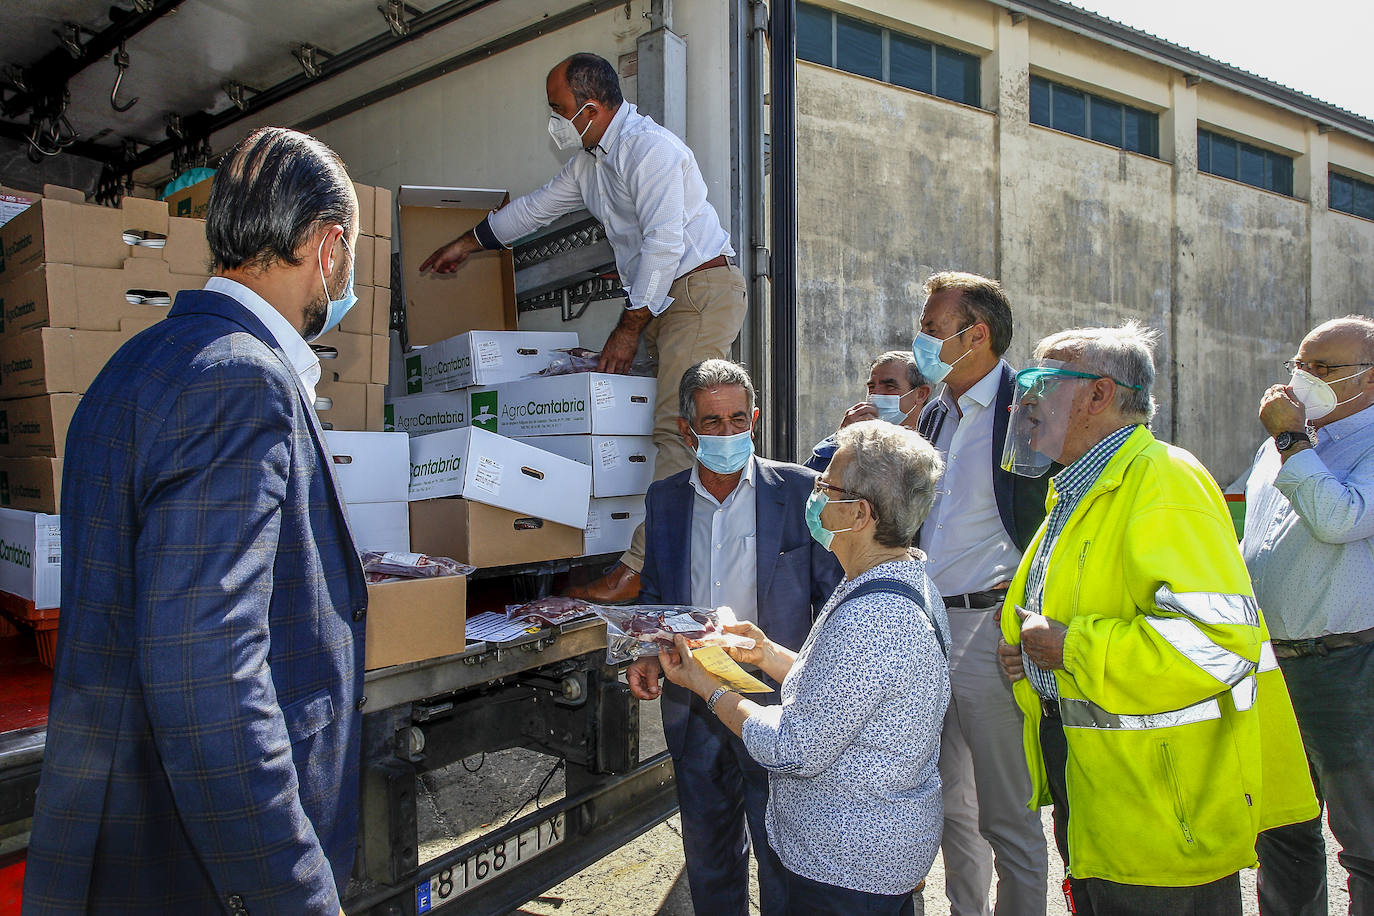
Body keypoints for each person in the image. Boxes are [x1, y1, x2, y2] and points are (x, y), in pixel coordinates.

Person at [23, 128, 368, 915]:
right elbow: (210, 672)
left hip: (121, 834)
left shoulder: (129, 368)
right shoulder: (243, 380)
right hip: (194, 867)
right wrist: (295, 893)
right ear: (327, 247)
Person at [996, 321, 1318, 915]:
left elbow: (1219, 645)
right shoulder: (1081, 489)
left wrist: (1071, 648)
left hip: (1164, 813)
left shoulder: (1162, 481)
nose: (1025, 398)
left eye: (1042, 379)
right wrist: (1029, 656)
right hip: (1110, 797)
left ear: (1099, 395)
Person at [419, 52, 746, 602]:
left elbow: (665, 245)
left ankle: (639, 566)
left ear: (591, 109)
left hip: (698, 291)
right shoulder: (591, 164)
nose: (554, 121)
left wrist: (628, 326)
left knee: (675, 427)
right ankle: (603, 538)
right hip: (662, 299)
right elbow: (534, 210)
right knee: (607, 407)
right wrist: (467, 243)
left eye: (558, 109)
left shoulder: (651, 150)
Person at [659, 419, 951, 916]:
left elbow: (793, 748)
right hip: (869, 857)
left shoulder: (873, 617)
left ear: (858, 513)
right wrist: (768, 654)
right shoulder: (895, 577)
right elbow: (846, 692)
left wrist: (708, 688)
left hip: (844, 870)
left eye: (825, 485)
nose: (813, 494)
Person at [626, 359, 842, 916]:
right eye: (712, 423)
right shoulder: (666, 500)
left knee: (783, 855)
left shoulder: (799, 492)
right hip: (693, 699)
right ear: (687, 429)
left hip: (775, 706)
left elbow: (832, 598)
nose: (726, 434)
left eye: (737, 420)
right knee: (708, 851)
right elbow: (656, 593)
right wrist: (649, 650)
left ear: (756, 419)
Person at [912, 271, 1049, 916]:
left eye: (934, 329)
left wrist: (1033, 618)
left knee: (1008, 812)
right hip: (929, 631)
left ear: (978, 334)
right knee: (951, 809)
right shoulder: (937, 411)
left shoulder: (1030, 407)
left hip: (992, 629)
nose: (922, 340)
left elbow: (1059, 516)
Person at [1244, 315, 1374, 916]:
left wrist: (1293, 442)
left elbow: (1340, 518)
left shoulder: (1327, 442)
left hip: (1348, 665)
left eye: (1324, 368)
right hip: (1273, 663)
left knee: (1365, 836)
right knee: (1283, 832)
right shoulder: (1283, 443)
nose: (1304, 378)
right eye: (1300, 364)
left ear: (1368, 380)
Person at [804, 350, 930, 471]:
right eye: (871, 387)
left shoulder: (939, 439)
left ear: (920, 394)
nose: (875, 394)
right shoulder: (862, 443)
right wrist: (843, 440)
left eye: (889, 387)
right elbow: (807, 482)